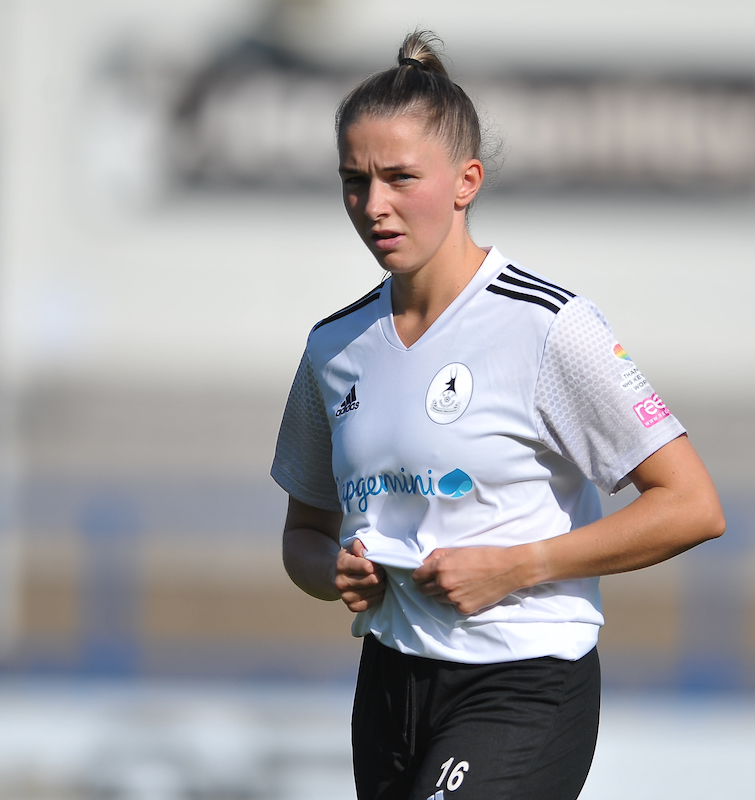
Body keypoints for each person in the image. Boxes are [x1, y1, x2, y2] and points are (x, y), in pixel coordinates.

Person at [272, 30, 725, 800]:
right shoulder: (334, 347)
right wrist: (333, 571)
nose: (374, 206)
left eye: (400, 177)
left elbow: (692, 506)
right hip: (388, 686)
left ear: (465, 181)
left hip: (522, 683)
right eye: (355, 181)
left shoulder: (547, 327)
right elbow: (304, 535)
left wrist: (519, 565)